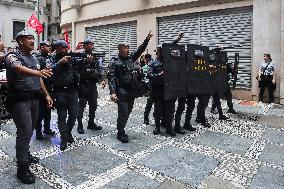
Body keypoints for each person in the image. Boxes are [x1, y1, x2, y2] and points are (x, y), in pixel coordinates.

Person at [5, 31, 53, 184]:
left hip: (34, 99)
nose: (33, 41)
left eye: (33, 38)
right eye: (28, 38)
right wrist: (37, 72)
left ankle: (25, 153)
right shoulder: (12, 55)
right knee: (24, 132)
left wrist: (46, 94)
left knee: (30, 129)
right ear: (20, 41)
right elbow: (18, 69)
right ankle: (22, 167)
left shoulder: (34, 58)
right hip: (19, 100)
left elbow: (39, 78)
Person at [108, 31, 153, 143]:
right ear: (119, 49)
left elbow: (140, 50)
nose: (127, 49)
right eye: (125, 47)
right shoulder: (114, 62)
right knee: (123, 111)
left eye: (128, 47)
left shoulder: (130, 59)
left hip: (131, 90)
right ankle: (120, 132)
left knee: (128, 111)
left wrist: (147, 39)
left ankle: (121, 127)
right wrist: (113, 92)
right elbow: (112, 78)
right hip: (121, 91)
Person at [47, 40, 79, 151]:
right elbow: (49, 72)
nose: (66, 49)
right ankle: (64, 139)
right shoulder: (51, 58)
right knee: (62, 117)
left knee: (74, 114)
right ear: (58, 48)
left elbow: (81, 65)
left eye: (67, 47)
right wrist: (60, 62)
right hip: (59, 92)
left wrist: (88, 61)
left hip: (72, 91)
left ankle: (68, 132)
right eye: (64, 47)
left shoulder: (71, 57)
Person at [76, 39, 106, 134]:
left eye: (92, 44)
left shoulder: (95, 58)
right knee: (81, 107)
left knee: (93, 105)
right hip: (83, 85)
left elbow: (98, 69)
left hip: (92, 85)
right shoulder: (79, 57)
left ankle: (91, 123)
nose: (91, 45)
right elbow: (77, 70)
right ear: (84, 46)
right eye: (89, 44)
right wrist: (85, 61)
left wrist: (101, 79)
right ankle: (80, 125)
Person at [34, 40, 56, 140]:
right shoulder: (37, 58)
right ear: (42, 47)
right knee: (40, 112)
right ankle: (38, 132)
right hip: (40, 89)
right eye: (47, 46)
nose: (49, 47)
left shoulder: (50, 57)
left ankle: (47, 129)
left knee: (48, 110)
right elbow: (37, 75)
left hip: (50, 87)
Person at [142, 54, 154, 125]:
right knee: (149, 103)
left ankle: (146, 118)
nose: (144, 60)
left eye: (145, 59)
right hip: (149, 86)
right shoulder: (146, 66)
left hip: (151, 86)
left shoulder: (148, 65)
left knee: (149, 104)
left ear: (147, 59)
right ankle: (145, 118)